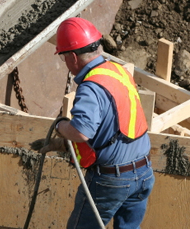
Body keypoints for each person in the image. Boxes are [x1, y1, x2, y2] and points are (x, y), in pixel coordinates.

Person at [41, 17, 154, 229]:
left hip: (113, 180)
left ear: (73, 57)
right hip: (144, 172)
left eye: (64, 56)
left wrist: (60, 127)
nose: (65, 62)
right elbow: (114, 123)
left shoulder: (91, 87)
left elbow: (82, 131)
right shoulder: (117, 71)